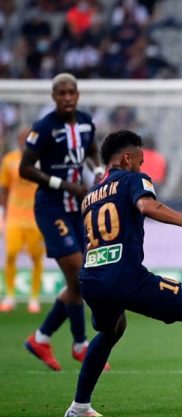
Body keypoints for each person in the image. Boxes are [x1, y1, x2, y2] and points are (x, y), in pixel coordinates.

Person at [64, 129, 182, 417]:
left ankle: (79, 406)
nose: (142, 166)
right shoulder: (133, 179)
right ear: (127, 158)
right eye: (139, 160)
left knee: (111, 330)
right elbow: (147, 205)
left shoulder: (90, 197)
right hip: (125, 277)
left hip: (91, 281)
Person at [19, 73, 103, 371]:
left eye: (71, 92)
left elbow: (92, 152)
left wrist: (99, 172)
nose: (67, 97)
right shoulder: (44, 127)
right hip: (52, 208)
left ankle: (41, 338)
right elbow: (25, 169)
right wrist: (63, 184)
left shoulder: (85, 122)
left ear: (77, 94)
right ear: (54, 97)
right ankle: (80, 344)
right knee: (80, 275)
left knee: (79, 281)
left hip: (77, 208)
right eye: (61, 93)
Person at [1, 128, 45, 313]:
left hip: (36, 217)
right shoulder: (9, 160)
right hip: (14, 216)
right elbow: (4, 188)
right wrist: (3, 211)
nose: (24, 141)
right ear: (18, 140)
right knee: (11, 253)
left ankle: (34, 298)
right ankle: (9, 295)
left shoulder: (42, 161)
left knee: (36, 257)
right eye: (22, 138)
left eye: (28, 138)